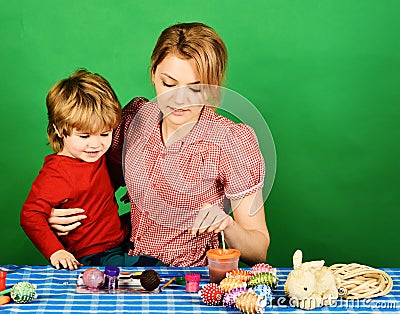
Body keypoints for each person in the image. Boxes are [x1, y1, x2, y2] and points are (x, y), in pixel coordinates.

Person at [49, 22, 270, 267]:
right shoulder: (135, 119)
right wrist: (59, 211)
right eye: (169, 84)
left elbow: (259, 251)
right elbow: (92, 185)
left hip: (187, 279)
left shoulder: (231, 141)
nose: (179, 100)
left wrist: (227, 225)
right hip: (127, 266)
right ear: (154, 73)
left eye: (195, 88)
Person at [20, 69, 164, 270]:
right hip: (94, 254)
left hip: (118, 236)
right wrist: (56, 251)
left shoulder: (100, 156)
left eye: (105, 134)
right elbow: (30, 215)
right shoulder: (58, 173)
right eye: (84, 136)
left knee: (161, 223)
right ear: (59, 130)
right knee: (154, 266)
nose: (95, 144)